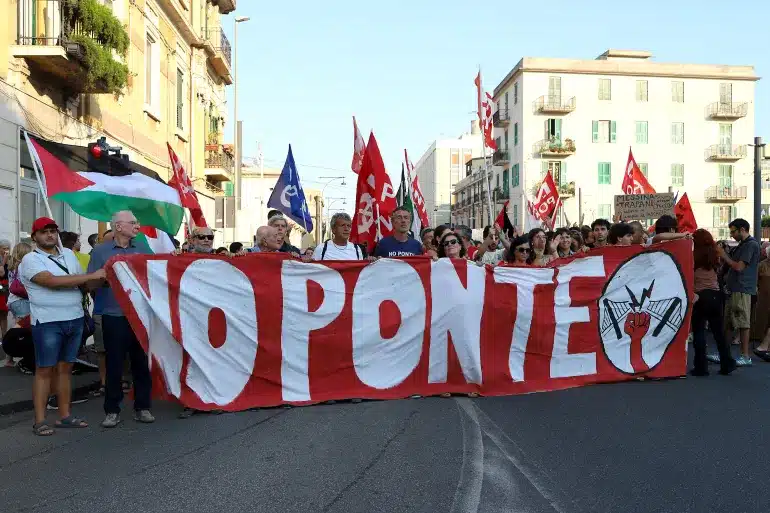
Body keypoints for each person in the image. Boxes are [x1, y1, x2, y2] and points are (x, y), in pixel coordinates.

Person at [20, 217, 107, 436]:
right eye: (44, 232)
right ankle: (39, 421)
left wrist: (103, 277)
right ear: (35, 237)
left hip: (75, 318)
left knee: (65, 369)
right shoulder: (30, 259)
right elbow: (51, 281)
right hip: (48, 322)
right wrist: (90, 275)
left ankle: (64, 416)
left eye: (53, 231)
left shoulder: (69, 255)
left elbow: (83, 285)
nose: (50, 235)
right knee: (44, 370)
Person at [88, 211, 155, 428]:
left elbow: (155, 277)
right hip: (113, 314)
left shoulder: (143, 249)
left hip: (140, 314)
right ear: (118, 226)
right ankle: (112, 410)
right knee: (114, 363)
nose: (137, 226)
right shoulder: (100, 251)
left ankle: (142, 407)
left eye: (137, 221)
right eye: (133, 222)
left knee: (141, 363)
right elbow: (91, 285)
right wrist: (104, 281)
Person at [690, 229, 736, 376]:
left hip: (699, 295)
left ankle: (701, 367)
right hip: (716, 295)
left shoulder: (692, 255)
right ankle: (727, 362)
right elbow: (720, 271)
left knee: (699, 331)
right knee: (718, 332)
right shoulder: (715, 254)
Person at [716, 218, 761, 367]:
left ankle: (745, 355)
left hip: (742, 288)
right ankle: (725, 353)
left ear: (743, 229)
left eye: (733, 232)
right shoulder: (743, 245)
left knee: (742, 322)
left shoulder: (751, 245)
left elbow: (739, 267)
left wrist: (724, 255)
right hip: (735, 288)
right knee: (728, 323)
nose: (732, 235)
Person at [6, 242, 32, 368]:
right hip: (21, 300)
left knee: (15, 328)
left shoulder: (11, 266)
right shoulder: (22, 266)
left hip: (12, 300)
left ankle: (9, 358)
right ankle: (25, 358)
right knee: (24, 330)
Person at [751, 246, 770, 361]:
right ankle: (763, 346)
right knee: (762, 317)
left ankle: (764, 347)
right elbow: (755, 280)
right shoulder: (761, 265)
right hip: (763, 296)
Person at [0, 238, 9, 341]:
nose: (6, 250)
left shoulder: (9, 258)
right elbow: (1, 273)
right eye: (3, 248)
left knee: (4, 314)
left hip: (5, 288)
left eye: (7, 248)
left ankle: (4, 336)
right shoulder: (2, 260)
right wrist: (3, 262)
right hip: (1, 287)